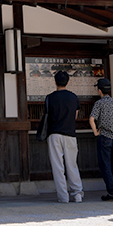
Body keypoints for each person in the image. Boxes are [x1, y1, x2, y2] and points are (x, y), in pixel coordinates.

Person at [36, 70, 84, 203]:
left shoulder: (50, 97)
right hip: (70, 133)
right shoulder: (73, 97)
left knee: (58, 166)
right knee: (72, 164)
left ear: (55, 82)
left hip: (54, 134)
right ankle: (77, 193)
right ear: (67, 82)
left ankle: (63, 197)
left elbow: (47, 115)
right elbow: (75, 116)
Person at [89, 77, 113, 201]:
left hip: (104, 137)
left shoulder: (99, 103)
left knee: (106, 166)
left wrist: (96, 132)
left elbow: (92, 119)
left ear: (99, 91)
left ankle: (112, 192)